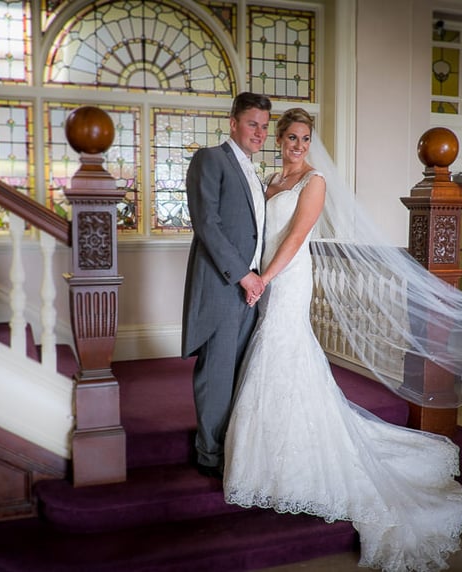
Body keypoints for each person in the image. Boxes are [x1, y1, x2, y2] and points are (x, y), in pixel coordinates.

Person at [223, 108, 462, 571]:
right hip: (264, 276)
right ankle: (272, 449)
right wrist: (252, 274)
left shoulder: (313, 181)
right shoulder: (271, 180)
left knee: (282, 346)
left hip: (288, 277)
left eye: (305, 138)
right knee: (273, 350)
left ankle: (292, 457)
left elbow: (296, 236)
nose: (298, 145)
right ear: (279, 139)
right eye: (291, 137)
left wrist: (264, 278)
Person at [181, 92, 272, 479]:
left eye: (265, 126)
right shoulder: (210, 159)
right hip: (224, 284)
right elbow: (207, 224)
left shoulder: (255, 172)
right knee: (216, 372)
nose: (260, 133)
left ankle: (232, 446)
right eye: (252, 124)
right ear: (233, 124)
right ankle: (209, 454)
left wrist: (258, 277)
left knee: (239, 370)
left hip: (250, 288)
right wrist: (243, 275)